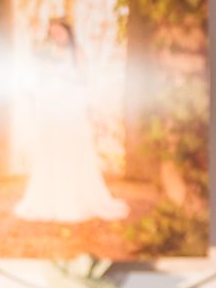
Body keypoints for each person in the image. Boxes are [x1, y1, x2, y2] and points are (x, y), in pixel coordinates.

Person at [12, 19, 130, 224]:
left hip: (72, 110)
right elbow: (38, 81)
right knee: (52, 151)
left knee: (73, 151)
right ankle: (50, 200)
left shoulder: (78, 54)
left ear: (68, 32)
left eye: (59, 31)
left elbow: (85, 82)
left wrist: (89, 109)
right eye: (52, 33)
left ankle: (76, 200)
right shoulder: (45, 55)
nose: (56, 36)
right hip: (52, 111)